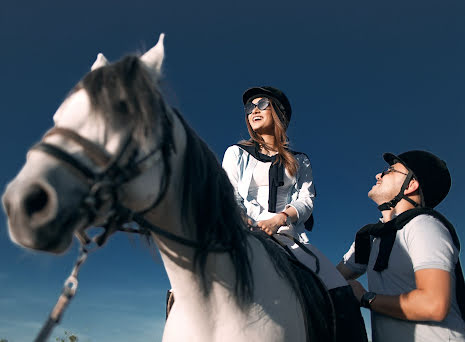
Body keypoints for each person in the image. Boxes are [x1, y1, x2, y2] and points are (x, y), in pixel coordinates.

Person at [222, 86, 368, 342]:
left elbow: (306, 199)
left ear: (279, 113)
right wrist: (245, 221)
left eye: (262, 104)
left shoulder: (300, 161)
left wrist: (281, 218)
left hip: (289, 238)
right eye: (249, 107)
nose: (254, 109)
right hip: (242, 231)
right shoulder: (235, 153)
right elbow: (228, 194)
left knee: (337, 286)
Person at [337, 150, 465, 342]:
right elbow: (330, 278)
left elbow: (433, 304)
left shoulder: (424, 225)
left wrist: (366, 298)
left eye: (389, 170)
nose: (378, 175)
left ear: (411, 185)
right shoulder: (371, 238)